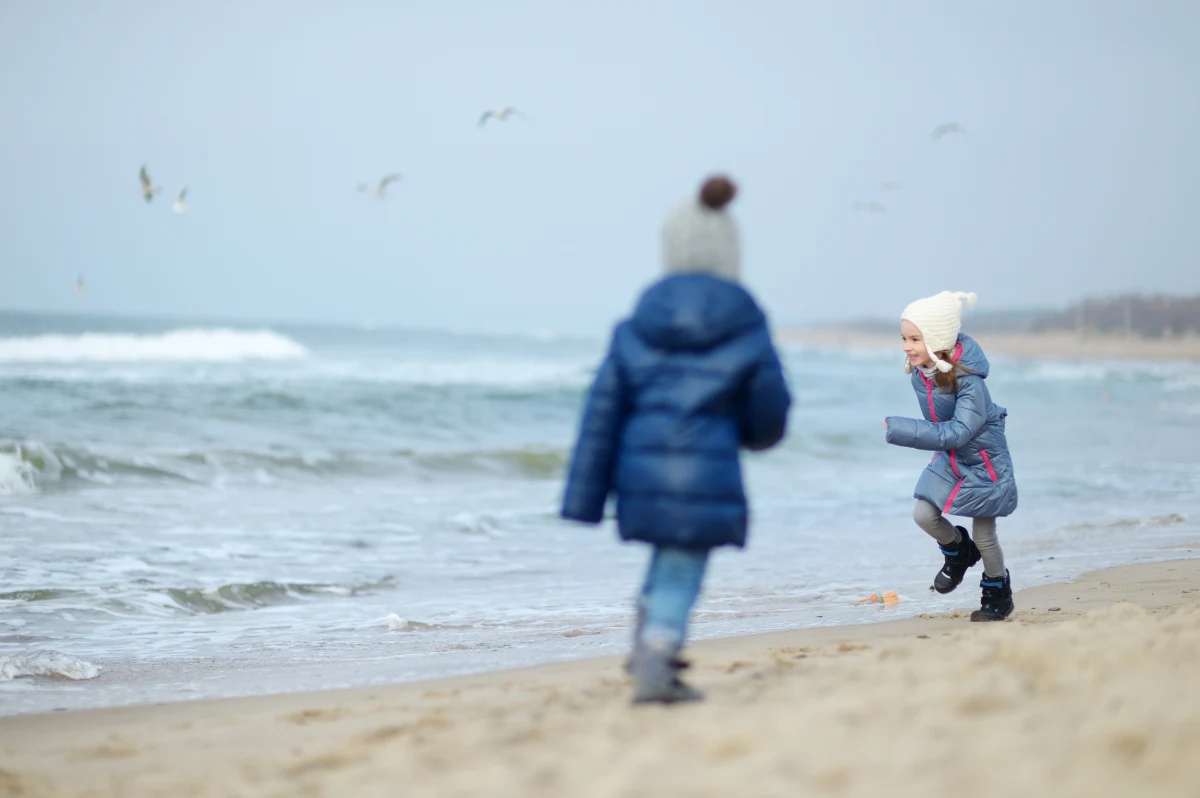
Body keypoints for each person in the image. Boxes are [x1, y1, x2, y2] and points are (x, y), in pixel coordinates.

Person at [560, 175, 792, 703]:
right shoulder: (745, 321)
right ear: (730, 252)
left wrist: (585, 496)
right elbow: (769, 402)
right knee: (682, 563)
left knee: (667, 557)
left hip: (641, 470)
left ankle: (646, 648)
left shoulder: (638, 321)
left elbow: (602, 411)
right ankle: (658, 655)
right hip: (707, 467)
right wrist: (756, 435)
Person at [884, 291, 1018, 622]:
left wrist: (902, 429)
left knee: (985, 536)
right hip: (952, 458)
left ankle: (998, 593)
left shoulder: (971, 383)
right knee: (923, 514)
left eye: (915, 339)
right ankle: (959, 550)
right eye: (904, 338)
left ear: (937, 341)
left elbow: (959, 431)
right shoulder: (922, 374)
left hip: (985, 463)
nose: (907, 346)